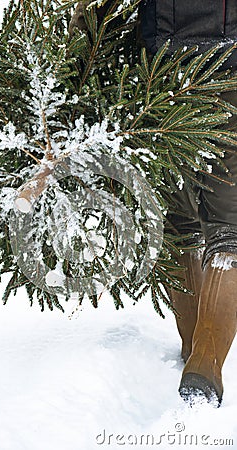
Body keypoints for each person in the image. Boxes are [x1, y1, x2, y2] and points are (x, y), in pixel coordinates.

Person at [70, 0, 237, 407]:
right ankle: (201, 361)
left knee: (185, 223)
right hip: (209, 72)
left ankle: (196, 354)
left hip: (164, 75)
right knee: (223, 225)